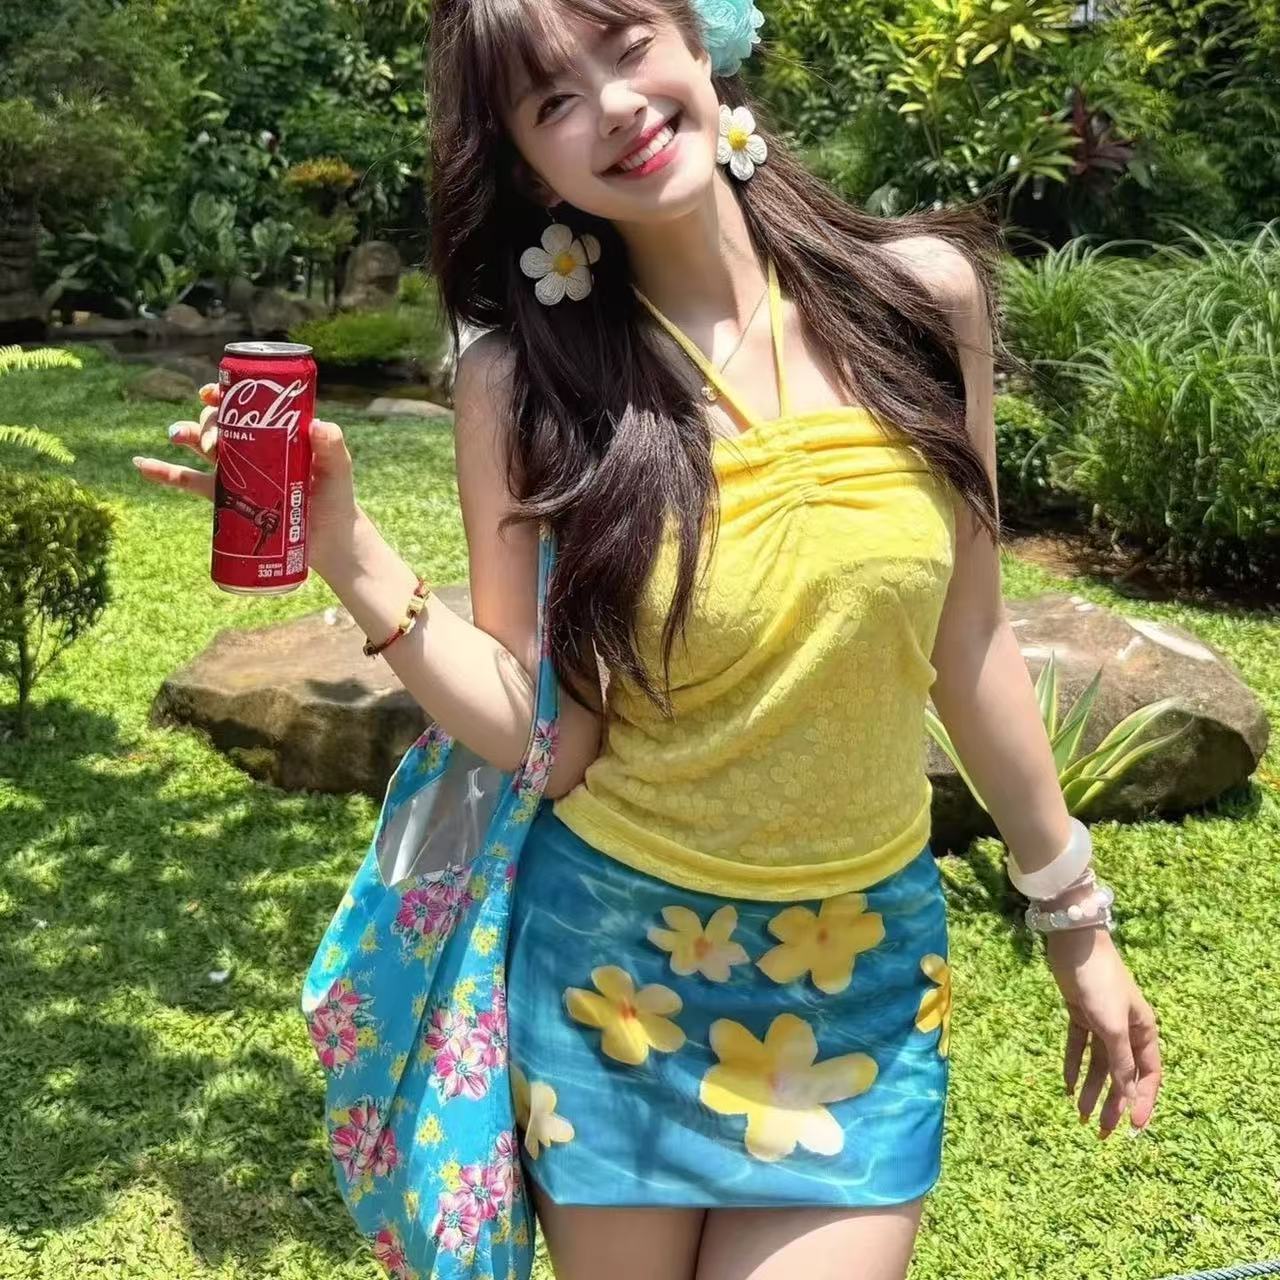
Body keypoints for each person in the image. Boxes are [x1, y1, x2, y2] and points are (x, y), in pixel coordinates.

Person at [133, 0, 1164, 1275]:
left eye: (624, 46)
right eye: (552, 100)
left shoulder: (918, 301)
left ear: (695, 38)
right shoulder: (523, 383)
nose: (612, 106)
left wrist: (1073, 916)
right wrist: (349, 552)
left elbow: (971, 642)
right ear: (529, 167)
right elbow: (546, 739)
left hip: (862, 974)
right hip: (613, 976)